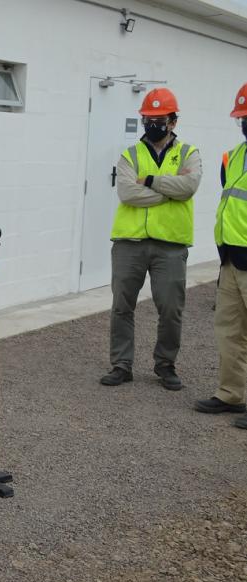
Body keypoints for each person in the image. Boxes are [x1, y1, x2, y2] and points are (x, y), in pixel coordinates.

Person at [99, 88, 202, 390]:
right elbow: (127, 193)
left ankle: (165, 365)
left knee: (171, 309)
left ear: (172, 122)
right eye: (147, 118)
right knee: (121, 306)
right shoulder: (130, 154)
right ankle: (121, 365)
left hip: (170, 245)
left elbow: (189, 186)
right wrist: (170, 194)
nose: (151, 123)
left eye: (158, 119)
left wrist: (152, 181)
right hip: (129, 242)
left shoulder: (189, 154)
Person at [195, 83, 247, 427]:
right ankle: (231, 394)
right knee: (228, 330)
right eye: (241, 117)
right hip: (231, 257)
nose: (244, 123)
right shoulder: (233, 156)